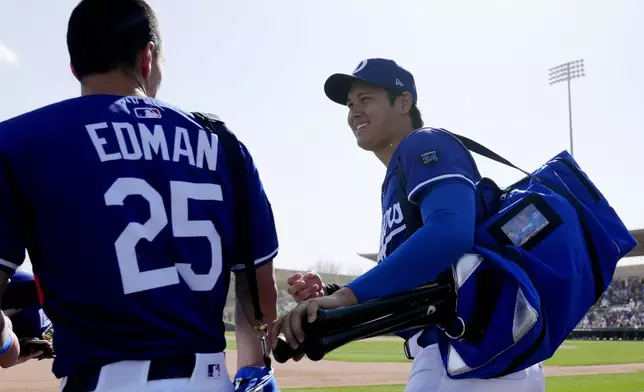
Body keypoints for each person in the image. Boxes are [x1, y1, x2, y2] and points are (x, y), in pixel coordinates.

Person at [0, 1, 279, 391]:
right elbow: (258, 302)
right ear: (148, 57)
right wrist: (252, 369)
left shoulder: (17, 141)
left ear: (74, 66)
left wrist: (7, 344)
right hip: (209, 381)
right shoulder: (225, 145)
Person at [273, 58, 545, 392]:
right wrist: (331, 295)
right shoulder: (397, 177)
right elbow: (420, 282)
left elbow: (449, 233)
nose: (354, 112)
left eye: (366, 99)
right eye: (349, 104)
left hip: (472, 357)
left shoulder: (423, 143)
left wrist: (348, 295)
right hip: (463, 356)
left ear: (403, 102)